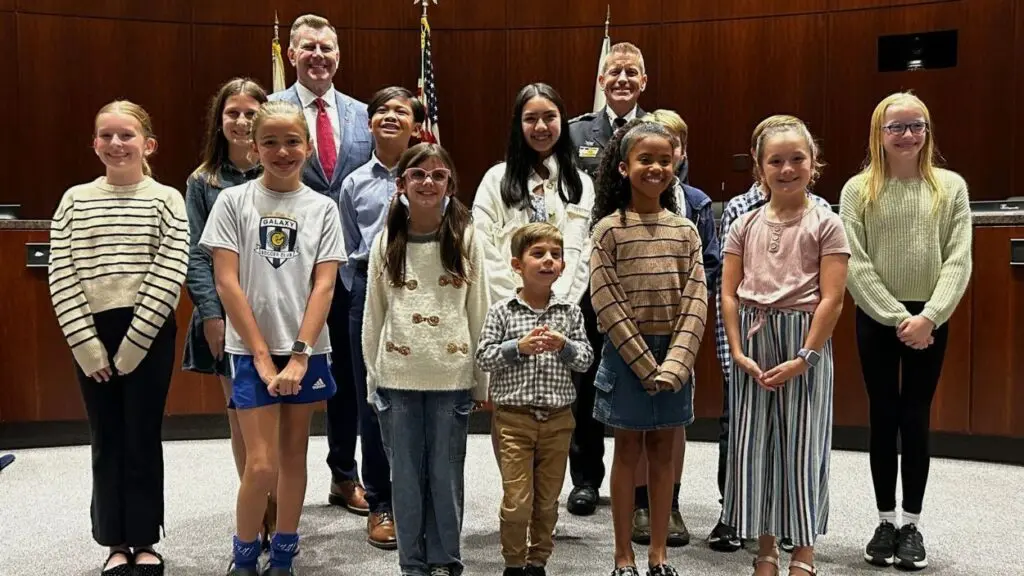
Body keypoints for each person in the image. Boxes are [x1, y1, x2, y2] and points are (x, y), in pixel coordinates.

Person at [201, 100, 345, 576]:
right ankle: (244, 554)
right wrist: (262, 357)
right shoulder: (232, 202)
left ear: (307, 146)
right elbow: (227, 281)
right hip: (250, 349)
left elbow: (324, 285)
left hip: (305, 348)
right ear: (253, 146)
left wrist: (299, 356)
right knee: (260, 465)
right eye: (270, 142)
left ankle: (283, 551)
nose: (282, 151)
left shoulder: (322, 207)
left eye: (291, 142)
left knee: (292, 457)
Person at [49, 100, 188, 576]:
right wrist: (87, 347)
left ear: (148, 144)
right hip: (91, 334)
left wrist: (133, 346)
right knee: (105, 437)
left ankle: (145, 539)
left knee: (142, 437)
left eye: (126, 135)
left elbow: (170, 270)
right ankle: (113, 541)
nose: (115, 143)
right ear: (94, 143)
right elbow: (61, 274)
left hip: (147, 333)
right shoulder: (74, 200)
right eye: (105, 135)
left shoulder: (167, 198)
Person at [269, 12, 390, 548]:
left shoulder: (366, 116)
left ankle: (346, 475)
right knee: (287, 377)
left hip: (355, 275)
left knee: (355, 381)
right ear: (292, 54)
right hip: (289, 270)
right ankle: (272, 493)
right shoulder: (274, 114)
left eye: (327, 48)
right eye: (309, 47)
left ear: (338, 56)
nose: (319, 55)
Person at [840, 92, 971, 572]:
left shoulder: (950, 187)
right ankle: (884, 521)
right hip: (878, 319)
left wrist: (929, 316)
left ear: (927, 131)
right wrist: (898, 318)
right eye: (896, 127)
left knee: (915, 418)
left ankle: (912, 524)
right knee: (883, 416)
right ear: (879, 134)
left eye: (916, 125)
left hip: (931, 320)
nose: (907, 135)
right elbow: (853, 260)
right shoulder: (858, 190)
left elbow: (959, 258)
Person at [720, 115, 850, 576]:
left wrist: (805, 357)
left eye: (798, 159)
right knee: (756, 446)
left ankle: (805, 549)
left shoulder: (828, 223)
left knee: (802, 445)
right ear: (760, 170)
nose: (787, 169)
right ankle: (766, 545)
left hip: (803, 341)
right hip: (754, 342)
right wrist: (737, 352)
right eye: (776, 161)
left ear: (814, 165)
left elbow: (832, 298)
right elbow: (730, 293)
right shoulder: (744, 224)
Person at [361, 143, 489, 576]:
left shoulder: (466, 238)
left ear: (450, 184)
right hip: (398, 377)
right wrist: (373, 375)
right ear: (400, 186)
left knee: (445, 474)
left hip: (450, 377)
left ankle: (445, 557)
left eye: (438, 175)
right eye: (418, 175)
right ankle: (412, 563)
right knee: (406, 478)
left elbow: (480, 309)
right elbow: (374, 313)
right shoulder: (387, 241)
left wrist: (481, 378)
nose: (428, 182)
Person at [589, 119, 708, 576]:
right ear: (623, 167)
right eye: (645, 159)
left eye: (664, 159)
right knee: (627, 453)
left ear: (676, 164)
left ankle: (659, 553)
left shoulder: (686, 232)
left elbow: (697, 299)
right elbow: (607, 303)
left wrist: (675, 363)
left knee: (664, 454)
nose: (656, 167)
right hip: (626, 357)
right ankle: (624, 555)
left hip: (674, 357)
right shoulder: (607, 231)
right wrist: (644, 364)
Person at [182, 77, 273, 546]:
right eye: (232, 112)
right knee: (242, 416)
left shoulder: (281, 169)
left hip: (275, 315)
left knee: (277, 419)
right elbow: (196, 254)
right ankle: (255, 514)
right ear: (219, 121)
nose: (241, 121)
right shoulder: (203, 182)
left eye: (250, 112)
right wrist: (213, 315)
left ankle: (277, 511)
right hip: (225, 318)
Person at [477, 222, 594, 576]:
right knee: (517, 500)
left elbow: (586, 359)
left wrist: (565, 346)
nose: (548, 261)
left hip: (558, 420)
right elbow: (483, 357)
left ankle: (537, 561)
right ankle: (514, 562)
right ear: (517, 264)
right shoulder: (502, 311)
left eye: (555, 256)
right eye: (538, 254)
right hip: (514, 420)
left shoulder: (570, 313)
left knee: (547, 500)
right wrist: (518, 348)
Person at [626, 110, 720, 548]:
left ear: (681, 154)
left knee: (672, 426)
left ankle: (672, 502)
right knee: (633, 428)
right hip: (631, 337)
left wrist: (684, 339)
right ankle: (640, 503)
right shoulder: (617, 211)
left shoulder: (696, 205)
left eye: (673, 147)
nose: (662, 162)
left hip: (682, 332)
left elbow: (709, 271)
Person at [565, 41, 649, 515]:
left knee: (637, 375)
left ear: (643, 81)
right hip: (588, 273)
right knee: (589, 377)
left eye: (630, 72)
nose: (620, 79)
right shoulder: (578, 134)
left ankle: (637, 484)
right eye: (613, 71)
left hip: (639, 272)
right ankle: (586, 478)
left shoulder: (659, 128)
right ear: (601, 80)